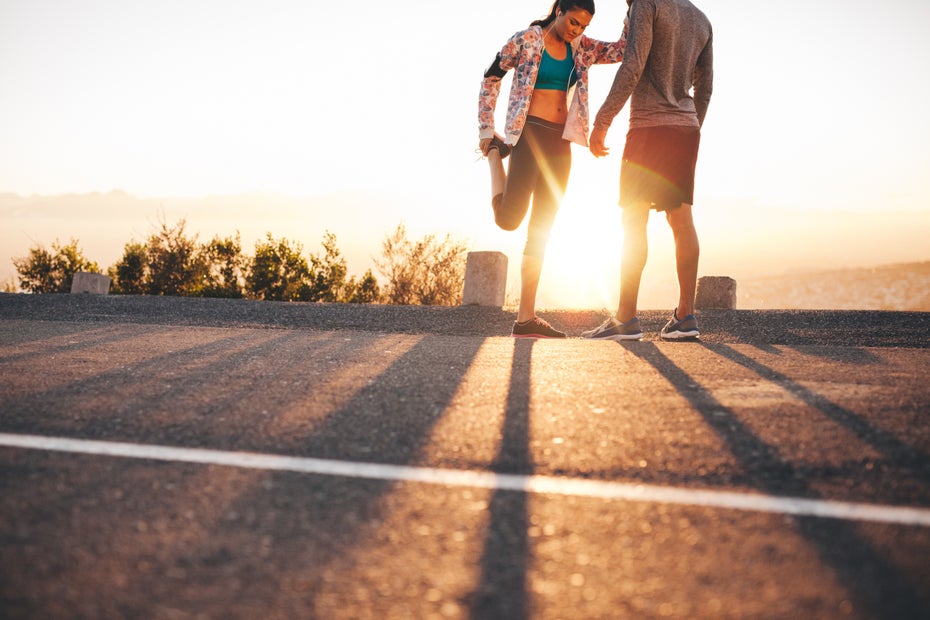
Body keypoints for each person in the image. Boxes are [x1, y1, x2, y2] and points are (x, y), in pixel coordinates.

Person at [478, 0, 627, 339]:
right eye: (573, 22)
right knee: (508, 219)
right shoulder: (527, 40)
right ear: (559, 10)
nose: (577, 30)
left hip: (561, 142)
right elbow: (491, 76)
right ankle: (492, 157)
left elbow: (621, 50)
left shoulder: (581, 48)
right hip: (528, 134)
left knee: (542, 228)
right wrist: (487, 128)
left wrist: (633, 9)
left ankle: (525, 318)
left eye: (584, 26)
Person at [582, 0, 713, 342]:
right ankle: (686, 317)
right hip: (686, 128)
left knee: (634, 219)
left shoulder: (646, 4)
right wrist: (689, 122)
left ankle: (625, 319)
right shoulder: (701, 19)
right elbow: (706, 87)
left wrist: (602, 120)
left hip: (648, 128)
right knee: (682, 220)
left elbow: (633, 65)